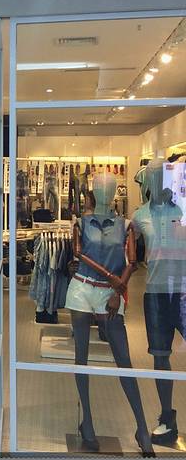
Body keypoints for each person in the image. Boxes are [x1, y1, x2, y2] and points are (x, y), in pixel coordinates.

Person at [65, 173, 153, 456]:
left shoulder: (126, 225)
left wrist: (117, 288)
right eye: (100, 188)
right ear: (93, 191)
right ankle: (88, 422)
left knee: (124, 360)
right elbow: (79, 254)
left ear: (115, 192)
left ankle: (142, 427)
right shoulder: (81, 223)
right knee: (81, 358)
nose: (104, 192)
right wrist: (112, 278)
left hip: (110, 293)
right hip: (82, 288)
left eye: (109, 188)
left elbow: (132, 262)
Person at [132, 160, 186, 446]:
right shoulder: (139, 216)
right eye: (154, 176)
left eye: (164, 175)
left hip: (184, 291)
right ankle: (167, 417)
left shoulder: (184, 210)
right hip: (155, 292)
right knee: (160, 357)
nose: (160, 181)